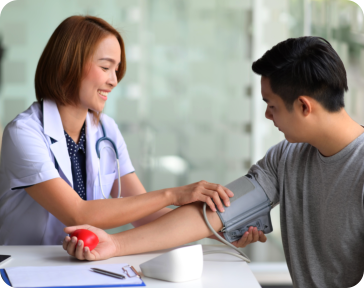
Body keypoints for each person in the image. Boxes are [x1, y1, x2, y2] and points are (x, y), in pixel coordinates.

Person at [64, 36, 364, 288]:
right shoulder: (285, 157)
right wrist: (115, 245)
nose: (267, 115)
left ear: (303, 106)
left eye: (271, 106)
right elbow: (211, 214)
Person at [0, 15, 249, 245]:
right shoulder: (24, 133)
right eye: (105, 67)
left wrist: (221, 230)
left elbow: (147, 216)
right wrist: (175, 194)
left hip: (82, 263)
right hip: (25, 267)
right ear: (68, 64)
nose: (114, 80)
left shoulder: (106, 130)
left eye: (116, 69)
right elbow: (78, 214)